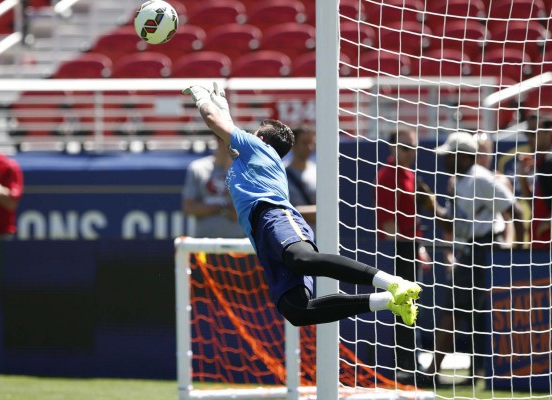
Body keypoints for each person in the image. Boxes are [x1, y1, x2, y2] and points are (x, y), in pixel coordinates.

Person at [183, 82, 421, 327]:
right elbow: (229, 142)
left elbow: (212, 120)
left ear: (261, 139)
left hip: (275, 218)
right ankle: (389, 301)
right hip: (262, 234)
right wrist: (225, 109)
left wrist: (202, 99)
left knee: (302, 259)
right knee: (297, 311)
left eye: (253, 132)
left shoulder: (258, 148)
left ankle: (392, 282)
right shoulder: (252, 155)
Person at [427, 132, 526, 384]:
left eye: (449, 155)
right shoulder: (459, 181)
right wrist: (431, 206)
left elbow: (514, 210)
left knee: (454, 310)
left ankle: (432, 372)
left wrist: (520, 252)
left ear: (463, 157)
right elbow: (454, 225)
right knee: (470, 314)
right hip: (470, 250)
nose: (444, 160)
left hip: (484, 249)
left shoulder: (480, 178)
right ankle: (474, 372)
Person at [373, 126, 434, 384]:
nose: (410, 153)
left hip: (409, 246)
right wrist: (409, 248)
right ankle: (406, 363)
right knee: (402, 304)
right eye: (405, 148)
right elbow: (389, 226)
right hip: (397, 250)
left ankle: (412, 361)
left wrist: (418, 247)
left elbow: (411, 221)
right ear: (393, 147)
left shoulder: (408, 174)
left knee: (411, 305)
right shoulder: (387, 176)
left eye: (413, 149)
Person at [517, 114, 552, 249]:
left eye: (533, 133)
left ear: (549, 132)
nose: (529, 138)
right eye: (527, 133)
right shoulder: (543, 160)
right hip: (541, 244)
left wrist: (547, 222)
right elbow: (534, 205)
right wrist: (522, 177)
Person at [182, 142, 245, 238]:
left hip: (235, 243)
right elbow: (189, 208)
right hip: (203, 243)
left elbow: (235, 214)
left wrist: (231, 173)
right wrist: (221, 208)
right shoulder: (198, 168)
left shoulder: (243, 170)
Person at [285, 127, 317, 227]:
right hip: (292, 237)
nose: (309, 148)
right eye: (305, 143)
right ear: (293, 145)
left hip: (318, 238)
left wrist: (298, 211)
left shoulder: (319, 172)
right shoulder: (280, 173)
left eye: (311, 143)